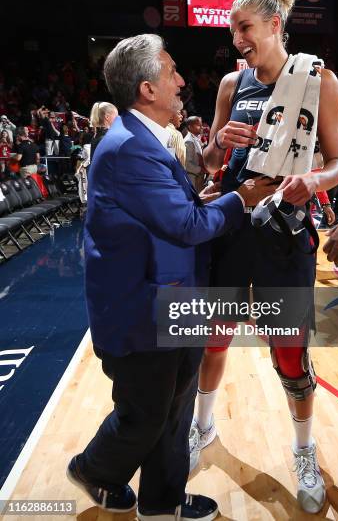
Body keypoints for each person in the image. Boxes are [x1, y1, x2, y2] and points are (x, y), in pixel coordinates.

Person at [66, 34, 276, 518]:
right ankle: (94, 469)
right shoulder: (127, 149)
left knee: (176, 413)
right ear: (147, 89)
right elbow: (184, 226)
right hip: (141, 311)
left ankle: (161, 502)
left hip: (176, 300)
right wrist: (240, 198)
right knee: (145, 417)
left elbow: (171, 212)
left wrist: (205, 196)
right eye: (172, 72)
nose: (182, 81)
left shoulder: (147, 140)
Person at [193, 0, 338, 514]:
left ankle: (305, 451)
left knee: (289, 352)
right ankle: (202, 426)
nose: (236, 40)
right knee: (212, 339)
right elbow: (210, 165)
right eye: (233, 30)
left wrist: (315, 184)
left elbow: (337, 162)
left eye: (244, 29)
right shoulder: (231, 85)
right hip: (232, 230)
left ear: (275, 25)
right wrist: (218, 145)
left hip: (284, 235)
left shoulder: (318, 79)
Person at [184, 116, 206, 191]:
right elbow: (187, 164)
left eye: (201, 125)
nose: (201, 127)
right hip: (192, 179)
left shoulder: (196, 139)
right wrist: (201, 170)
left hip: (197, 178)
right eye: (198, 125)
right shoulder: (188, 141)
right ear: (190, 127)